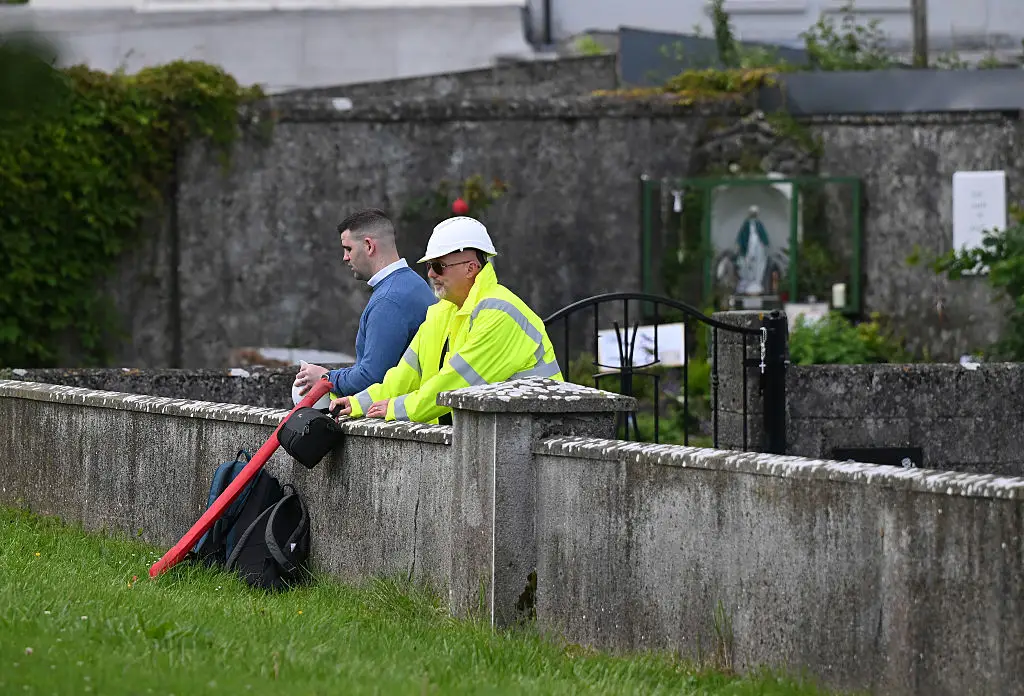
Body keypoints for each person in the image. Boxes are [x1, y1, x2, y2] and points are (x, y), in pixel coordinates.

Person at [329, 216, 562, 424]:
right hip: (501, 437)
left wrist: (398, 407)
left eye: (439, 266)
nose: (430, 274)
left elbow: (456, 383)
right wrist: (359, 403)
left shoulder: (499, 314)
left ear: (471, 268)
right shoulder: (441, 312)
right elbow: (405, 375)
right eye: (430, 266)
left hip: (537, 436)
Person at [293, 208, 436, 402]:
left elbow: (371, 378)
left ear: (369, 246)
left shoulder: (389, 300)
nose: (345, 257)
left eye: (348, 249)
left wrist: (325, 378)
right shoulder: (413, 284)